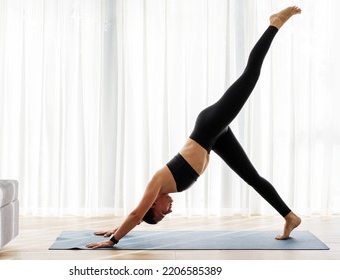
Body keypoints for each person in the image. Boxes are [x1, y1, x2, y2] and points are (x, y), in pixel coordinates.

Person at [86, 6, 302, 249]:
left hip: (209, 126)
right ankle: (289, 216)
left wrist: (114, 241)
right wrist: (114, 229)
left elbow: (137, 214)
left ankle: (275, 23)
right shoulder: (163, 189)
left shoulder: (157, 182)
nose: (169, 212)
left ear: (153, 204)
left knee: (250, 74)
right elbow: (136, 218)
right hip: (215, 137)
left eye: (162, 213)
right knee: (252, 177)